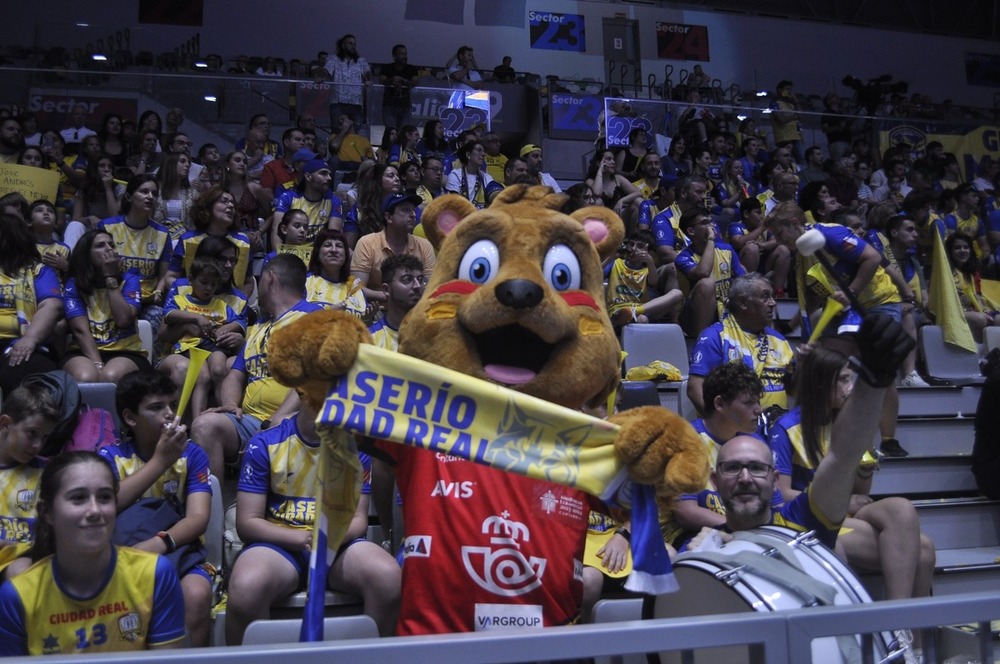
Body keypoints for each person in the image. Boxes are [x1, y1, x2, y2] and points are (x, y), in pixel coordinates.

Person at [225, 395, 400, 644]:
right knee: (246, 589)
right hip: (280, 547)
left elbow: (359, 519)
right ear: (300, 390)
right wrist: (304, 538)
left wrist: (331, 537)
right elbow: (248, 522)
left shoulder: (356, 447)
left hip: (338, 547)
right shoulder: (264, 443)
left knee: (388, 578)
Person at [768, 347, 935, 603]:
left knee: (902, 508)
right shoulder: (787, 428)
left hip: (848, 511)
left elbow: (861, 492)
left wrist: (865, 455)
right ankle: (902, 626)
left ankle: (913, 634)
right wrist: (847, 502)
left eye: (851, 378)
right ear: (822, 384)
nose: (850, 387)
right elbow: (781, 494)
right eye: (844, 380)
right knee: (923, 550)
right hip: (809, 517)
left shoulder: (846, 424)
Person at [0, 451, 185, 654]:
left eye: (105, 497)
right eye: (79, 498)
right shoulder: (16, 597)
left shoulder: (155, 575)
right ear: (47, 512)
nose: (95, 510)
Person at [99, 372, 213, 646]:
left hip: (178, 550)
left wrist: (161, 542)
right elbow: (107, 506)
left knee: (196, 595)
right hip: (122, 553)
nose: (168, 414)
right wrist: (161, 462)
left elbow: (199, 517)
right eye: (155, 407)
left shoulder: (193, 455)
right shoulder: (110, 457)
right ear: (130, 418)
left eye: (171, 406)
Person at [190, 254, 322, 478]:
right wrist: (231, 404)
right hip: (252, 421)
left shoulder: (314, 318)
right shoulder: (259, 327)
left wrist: (275, 421)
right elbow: (236, 374)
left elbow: (313, 379)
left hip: (295, 420)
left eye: (260, 280)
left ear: (270, 278)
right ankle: (210, 510)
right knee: (204, 426)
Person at [664, 362, 775, 549]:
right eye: (749, 403)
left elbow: (775, 506)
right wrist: (745, 532)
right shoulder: (684, 441)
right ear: (720, 404)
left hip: (745, 531)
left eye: (758, 401)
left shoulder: (755, 444)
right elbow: (686, 513)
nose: (759, 410)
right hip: (691, 535)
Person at [688, 273, 795, 414]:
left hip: (776, 428)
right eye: (765, 297)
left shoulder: (779, 340)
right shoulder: (715, 337)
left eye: (772, 296)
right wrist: (724, 426)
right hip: (732, 431)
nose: (773, 302)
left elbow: (795, 389)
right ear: (743, 302)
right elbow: (695, 389)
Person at [159, 257, 245, 418]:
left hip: (214, 346)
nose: (208, 288)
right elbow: (168, 315)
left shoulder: (220, 305)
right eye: (204, 282)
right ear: (191, 279)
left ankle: (226, 414)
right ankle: (196, 419)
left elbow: (240, 322)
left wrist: (225, 329)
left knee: (219, 368)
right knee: (203, 375)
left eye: (213, 284)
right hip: (189, 347)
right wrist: (195, 318)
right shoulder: (180, 300)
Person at [63, 229, 152, 383]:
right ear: (86, 254)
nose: (109, 248)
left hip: (126, 351)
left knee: (110, 376)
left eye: (111, 244)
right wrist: (98, 365)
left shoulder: (129, 279)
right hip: (84, 351)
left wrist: (110, 278)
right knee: (87, 377)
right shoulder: (74, 284)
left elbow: (123, 320)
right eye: (100, 245)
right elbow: (80, 331)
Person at [98, 175, 173, 340]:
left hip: (147, 300)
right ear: (129, 196)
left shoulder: (162, 233)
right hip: (112, 294)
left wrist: (159, 292)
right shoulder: (107, 226)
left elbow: (164, 275)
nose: (150, 197)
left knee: (157, 315)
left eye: (154, 193)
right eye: (144, 191)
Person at [0, 214, 63, 397]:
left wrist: (30, 339)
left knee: (27, 374)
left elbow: (51, 305)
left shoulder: (37, 271)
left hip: (17, 343)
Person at [0, 383, 58, 577]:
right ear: (5, 424)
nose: (37, 445)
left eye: (44, 438)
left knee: (22, 570)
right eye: (32, 434)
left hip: (24, 562)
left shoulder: (48, 472)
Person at [351, 193, 436, 305]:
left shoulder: (424, 245)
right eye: (405, 210)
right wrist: (392, 296)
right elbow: (356, 289)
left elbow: (431, 287)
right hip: (377, 310)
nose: (413, 215)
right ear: (388, 217)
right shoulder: (367, 243)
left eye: (413, 210)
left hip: (414, 308)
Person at [675, 206, 746, 337]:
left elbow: (743, 281)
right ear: (691, 231)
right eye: (704, 223)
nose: (711, 226)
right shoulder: (683, 257)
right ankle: (701, 340)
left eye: (711, 221)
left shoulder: (727, 249)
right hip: (693, 315)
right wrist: (711, 239)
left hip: (725, 308)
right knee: (707, 284)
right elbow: (703, 272)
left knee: (750, 286)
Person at [169, 188, 253, 296]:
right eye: (224, 201)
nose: (231, 206)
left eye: (233, 203)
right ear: (208, 207)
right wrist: (189, 297)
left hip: (230, 305)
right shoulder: (188, 239)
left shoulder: (243, 243)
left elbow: (249, 282)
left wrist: (239, 302)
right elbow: (170, 276)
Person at [605, 230, 682, 327]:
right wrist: (611, 257)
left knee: (677, 293)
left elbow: (654, 282)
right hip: (616, 310)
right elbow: (595, 275)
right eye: (631, 244)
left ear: (649, 252)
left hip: (639, 311)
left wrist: (649, 261)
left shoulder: (648, 270)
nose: (633, 249)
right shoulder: (616, 263)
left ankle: (633, 312)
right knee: (642, 319)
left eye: (640, 247)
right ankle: (625, 316)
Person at [944, 231, 1000, 343]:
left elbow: (977, 296)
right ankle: (981, 356)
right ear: (950, 252)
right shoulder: (943, 272)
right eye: (957, 248)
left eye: (966, 247)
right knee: (979, 319)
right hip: (952, 312)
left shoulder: (973, 273)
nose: (963, 251)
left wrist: (984, 310)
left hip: (976, 310)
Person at [368, 254, 426, 351]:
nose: (417, 286)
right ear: (386, 290)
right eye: (407, 279)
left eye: (420, 280)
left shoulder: (434, 334)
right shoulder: (371, 340)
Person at [305, 228, 367, 318]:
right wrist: (329, 311)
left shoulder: (355, 287)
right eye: (327, 245)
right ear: (317, 254)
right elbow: (294, 320)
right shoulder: (305, 282)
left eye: (339, 246)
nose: (334, 250)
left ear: (346, 255)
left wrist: (367, 321)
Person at [325, 34, 373, 133]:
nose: (353, 46)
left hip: (356, 103)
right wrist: (320, 77)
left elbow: (368, 72)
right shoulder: (333, 59)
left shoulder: (361, 61)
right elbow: (326, 71)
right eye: (350, 43)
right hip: (338, 103)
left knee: (355, 132)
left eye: (354, 44)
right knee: (337, 131)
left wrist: (369, 79)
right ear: (343, 45)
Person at [72, 153, 125, 228]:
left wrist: (108, 188)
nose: (107, 169)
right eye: (102, 166)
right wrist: (89, 218)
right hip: (93, 228)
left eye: (110, 167)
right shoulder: (85, 188)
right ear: (94, 169)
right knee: (74, 225)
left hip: (115, 228)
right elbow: (76, 219)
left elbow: (114, 217)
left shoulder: (120, 188)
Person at [585, 149, 641, 217]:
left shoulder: (618, 178)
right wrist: (600, 169)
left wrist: (621, 201)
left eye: (613, 159)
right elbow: (597, 193)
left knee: (638, 201)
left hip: (618, 216)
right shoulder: (590, 180)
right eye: (609, 159)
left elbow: (638, 193)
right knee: (598, 201)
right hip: (602, 219)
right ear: (598, 163)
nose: (613, 162)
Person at [153, 151, 196, 240]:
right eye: (182, 161)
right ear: (171, 164)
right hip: (157, 238)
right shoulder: (154, 190)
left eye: (188, 162)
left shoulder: (192, 193)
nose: (187, 165)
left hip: (185, 240)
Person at [445, 140, 497, 210]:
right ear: (468, 155)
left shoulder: (487, 177)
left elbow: (495, 195)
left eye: (483, 151)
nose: (483, 154)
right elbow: (454, 202)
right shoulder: (455, 174)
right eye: (479, 150)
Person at [380, 44, 419, 130]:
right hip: (389, 105)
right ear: (394, 56)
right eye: (401, 54)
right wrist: (392, 79)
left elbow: (415, 82)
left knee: (404, 132)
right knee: (391, 132)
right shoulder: (386, 68)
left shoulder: (411, 69)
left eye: (405, 54)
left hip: (405, 105)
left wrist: (403, 81)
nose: (404, 56)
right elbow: (382, 80)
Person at [259, 128, 306, 193]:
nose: (302, 143)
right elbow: (266, 194)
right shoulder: (271, 167)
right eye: (298, 139)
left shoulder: (308, 166)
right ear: (286, 142)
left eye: (303, 141)